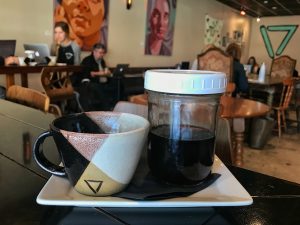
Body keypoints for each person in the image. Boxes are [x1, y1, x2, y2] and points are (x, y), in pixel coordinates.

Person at [77, 43, 113, 111]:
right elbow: (90, 74)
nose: (102, 54)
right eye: (100, 52)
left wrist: (107, 72)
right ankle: (106, 109)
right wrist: (102, 73)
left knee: (118, 83)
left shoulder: (102, 61)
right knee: (98, 88)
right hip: (91, 82)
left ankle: (116, 106)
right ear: (94, 52)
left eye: (103, 53)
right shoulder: (87, 60)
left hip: (103, 81)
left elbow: (106, 70)